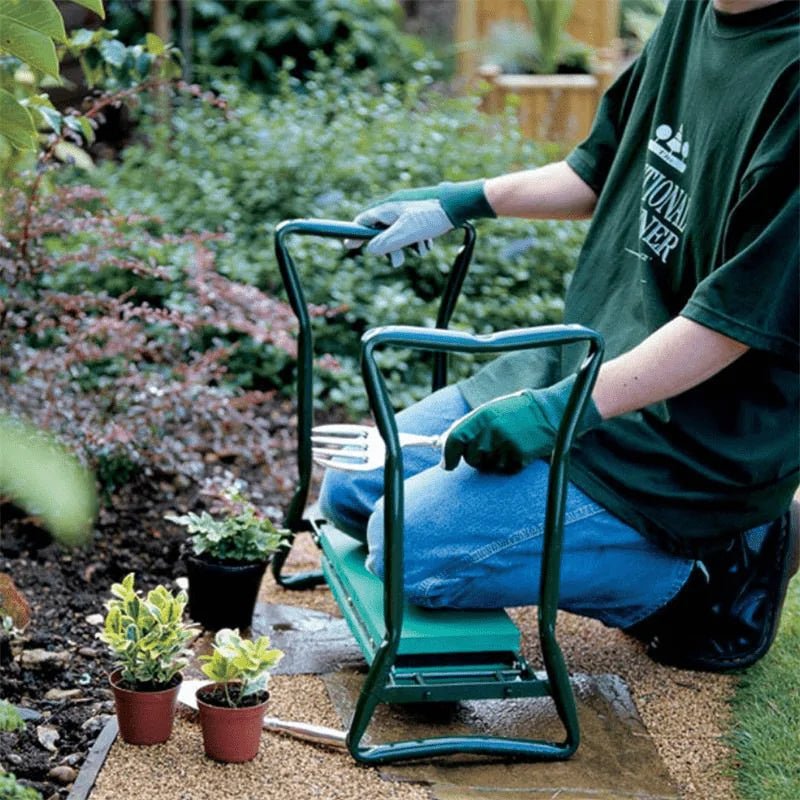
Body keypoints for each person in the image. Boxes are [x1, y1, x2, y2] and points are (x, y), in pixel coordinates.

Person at [319, 0, 799, 668]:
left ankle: (710, 575)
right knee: (351, 491)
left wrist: (558, 413)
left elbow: (731, 323)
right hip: (589, 360)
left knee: (405, 547)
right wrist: (459, 201)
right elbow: (598, 170)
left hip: (690, 435)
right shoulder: (698, 10)